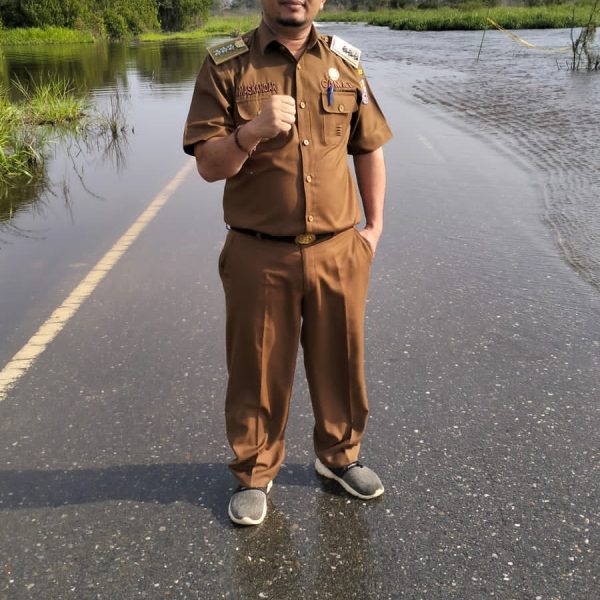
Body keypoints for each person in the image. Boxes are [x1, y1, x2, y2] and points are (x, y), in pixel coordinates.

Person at [183, 0, 392, 526]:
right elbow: (209, 165)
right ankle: (254, 472)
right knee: (256, 368)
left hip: (338, 249)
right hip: (259, 251)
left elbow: (367, 148)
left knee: (341, 363)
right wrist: (249, 132)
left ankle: (340, 457)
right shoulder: (227, 65)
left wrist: (373, 228)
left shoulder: (346, 63)